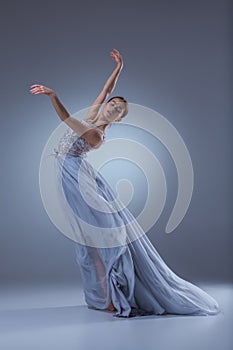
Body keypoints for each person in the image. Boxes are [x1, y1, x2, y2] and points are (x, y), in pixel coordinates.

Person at [30, 49, 221, 318]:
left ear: (118, 119)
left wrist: (53, 95)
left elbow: (64, 119)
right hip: (69, 174)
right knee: (87, 241)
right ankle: (105, 295)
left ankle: (115, 295)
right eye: (113, 103)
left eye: (118, 109)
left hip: (76, 178)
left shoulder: (96, 134)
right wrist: (119, 68)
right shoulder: (94, 114)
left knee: (97, 238)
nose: (113, 106)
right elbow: (106, 89)